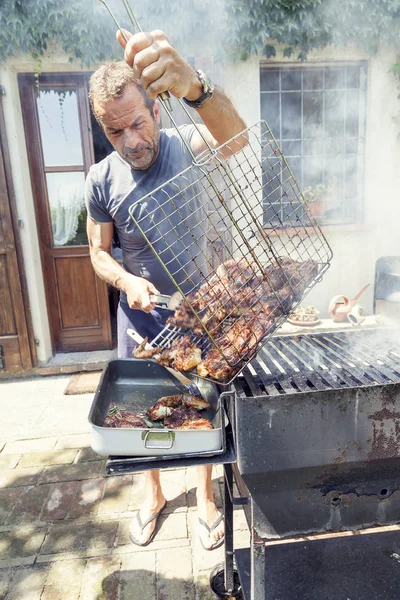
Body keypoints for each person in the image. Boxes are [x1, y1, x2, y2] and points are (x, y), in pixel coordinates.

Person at [85, 28, 247, 549]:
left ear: (155, 108)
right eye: (116, 132)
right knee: (138, 416)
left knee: (202, 407)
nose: (131, 141)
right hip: (141, 316)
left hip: (200, 311)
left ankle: (204, 497)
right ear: (103, 132)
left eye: (136, 122)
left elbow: (238, 139)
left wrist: (196, 88)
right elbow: (98, 252)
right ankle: (151, 494)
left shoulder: (188, 145)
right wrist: (127, 280)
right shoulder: (100, 179)